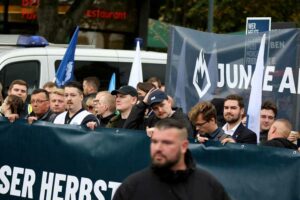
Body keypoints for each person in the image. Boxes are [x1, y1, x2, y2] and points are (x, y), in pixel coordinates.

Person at [113, 118, 230, 200]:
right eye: (154, 142)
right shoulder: (132, 187)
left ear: (184, 146)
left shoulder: (208, 185)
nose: (158, 148)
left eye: (167, 143)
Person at [124, 89, 193, 139]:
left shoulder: (182, 118)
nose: (160, 110)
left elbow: (185, 135)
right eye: (155, 108)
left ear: (169, 102)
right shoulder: (152, 119)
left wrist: (161, 131)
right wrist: (143, 103)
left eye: (162, 105)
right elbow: (128, 129)